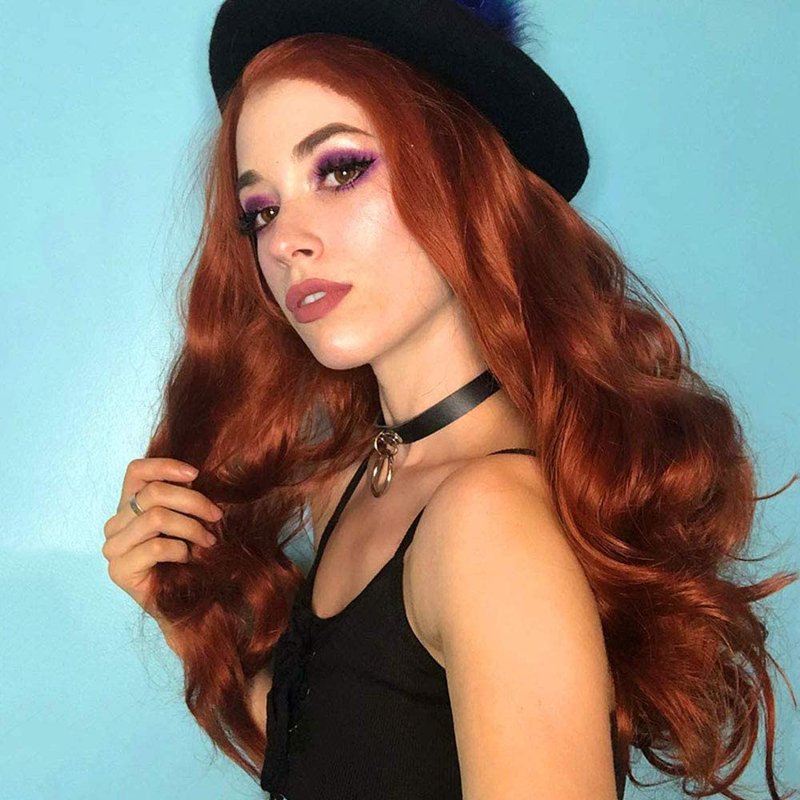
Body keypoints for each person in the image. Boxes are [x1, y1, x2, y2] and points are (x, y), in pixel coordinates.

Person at [101, 1, 798, 799]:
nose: (285, 241)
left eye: (339, 170)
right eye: (261, 209)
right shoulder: (354, 482)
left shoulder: (486, 522)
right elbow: (345, 763)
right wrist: (185, 615)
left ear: (465, 177)